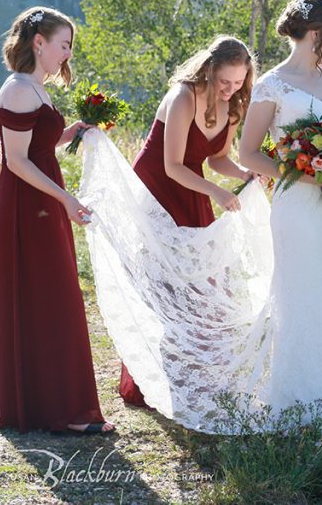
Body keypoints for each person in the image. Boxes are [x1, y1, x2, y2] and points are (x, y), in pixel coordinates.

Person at [237, 0, 322, 426]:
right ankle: (297, 404)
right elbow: (248, 153)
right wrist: (303, 173)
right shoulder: (272, 85)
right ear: (315, 34)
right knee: (302, 295)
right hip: (298, 204)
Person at [0, 6, 113, 434]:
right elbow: (18, 162)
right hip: (29, 203)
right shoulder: (19, 89)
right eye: (63, 45)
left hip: (43, 197)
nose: (67, 54)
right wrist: (64, 198)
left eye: (69, 46)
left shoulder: (36, 87)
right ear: (38, 43)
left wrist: (73, 131)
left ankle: (54, 402)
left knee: (52, 293)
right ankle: (57, 408)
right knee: (47, 293)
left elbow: (41, 145)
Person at [118, 36, 257, 407]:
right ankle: (153, 379)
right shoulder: (183, 97)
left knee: (203, 278)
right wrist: (217, 193)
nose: (230, 90)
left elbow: (217, 159)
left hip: (194, 184)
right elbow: (172, 165)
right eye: (224, 82)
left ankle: (197, 374)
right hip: (159, 188)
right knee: (164, 278)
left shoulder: (233, 107)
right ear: (209, 71)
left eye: (238, 83)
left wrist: (245, 175)